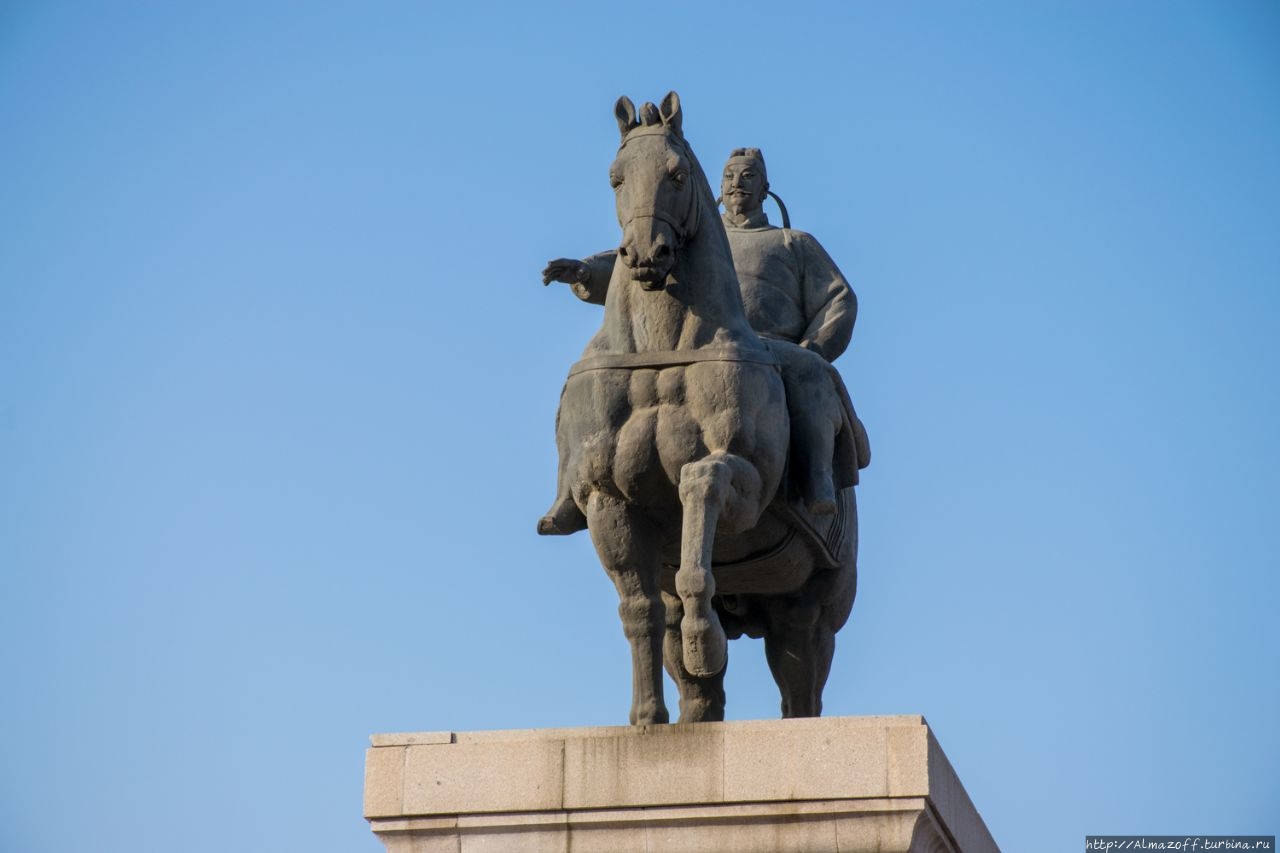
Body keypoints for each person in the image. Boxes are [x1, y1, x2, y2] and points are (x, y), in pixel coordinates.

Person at [539, 147, 866, 535]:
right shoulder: (695, 238)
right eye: (728, 177)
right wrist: (585, 272)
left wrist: (812, 347)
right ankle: (570, 490)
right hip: (697, 347)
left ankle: (817, 478)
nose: (736, 184)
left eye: (747, 176)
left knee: (810, 371)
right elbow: (639, 256)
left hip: (766, 347)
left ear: (765, 189)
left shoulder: (793, 243)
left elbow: (838, 300)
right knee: (587, 372)